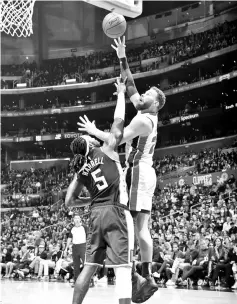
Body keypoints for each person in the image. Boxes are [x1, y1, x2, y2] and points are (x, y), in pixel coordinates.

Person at [77, 36, 166, 298]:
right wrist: (122, 57)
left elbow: (116, 139)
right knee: (140, 227)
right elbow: (130, 86)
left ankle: (144, 277)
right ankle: (144, 275)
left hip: (139, 171)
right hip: (145, 173)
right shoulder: (145, 113)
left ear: (156, 103)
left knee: (135, 227)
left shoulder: (144, 119)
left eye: (148, 95)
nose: (142, 96)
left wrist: (94, 131)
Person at [66, 78, 144, 304]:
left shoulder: (80, 170)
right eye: (90, 138)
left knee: (88, 268)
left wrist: (89, 200)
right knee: (122, 268)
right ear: (90, 144)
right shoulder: (107, 149)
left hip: (95, 214)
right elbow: (118, 122)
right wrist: (120, 93)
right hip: (116, 212)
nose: (92, 137)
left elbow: (69, 202)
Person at [65, 214, 87, 287]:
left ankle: (88, 281)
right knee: (76, 266)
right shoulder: (72, 228)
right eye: (75, 218)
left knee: (85, 264)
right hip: (75, 247)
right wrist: (66, 248)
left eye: (78, 218)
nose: (77, 219)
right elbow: (69, 238)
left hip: (83, 246)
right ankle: (76, 282)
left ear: (80, 219)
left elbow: (89, 237)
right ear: (73, 220)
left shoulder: (84, 227)